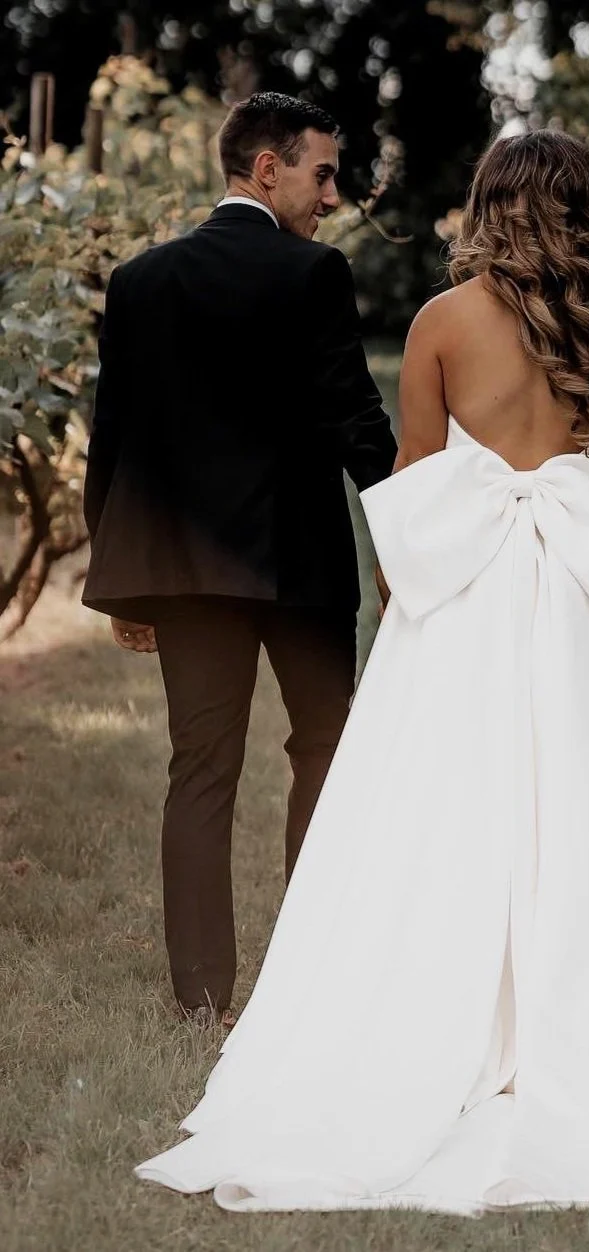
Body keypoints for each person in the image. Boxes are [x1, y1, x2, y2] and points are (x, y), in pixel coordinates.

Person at [135, 130, 589, 1216]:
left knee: (446, 809)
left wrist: (406, 598)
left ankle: (437, 1030)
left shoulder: (439, 323)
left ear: (487, 208)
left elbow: (416, 484)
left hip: (468, 598)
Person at [82, 93, 397, 1025]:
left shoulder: (141, 282)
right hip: (299, 570)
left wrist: (121, 586)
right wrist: (410, 532)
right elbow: (356, 420)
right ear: (269, 168)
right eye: (322, 172)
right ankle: (310, 978)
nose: (332, 196)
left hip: (184, 574)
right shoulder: (314, 273)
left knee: (201, 771)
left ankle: (202, 999)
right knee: (326, 754)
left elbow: (115, 441)